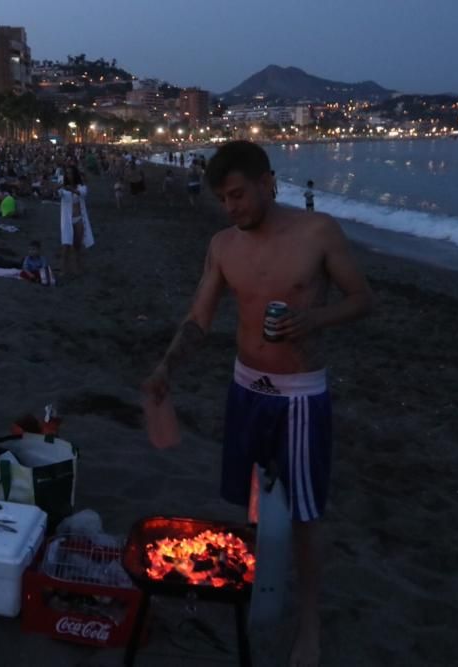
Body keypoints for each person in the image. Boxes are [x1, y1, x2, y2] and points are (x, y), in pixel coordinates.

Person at [142, 141, 374, 667]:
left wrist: (315, 319)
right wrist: (165, 370)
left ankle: (309, 623)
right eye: (223, 199)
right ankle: (260, 587)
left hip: (298, 398)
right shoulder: (223, 245)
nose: (232, 208)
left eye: (239, 195)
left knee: (305, 515)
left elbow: (363, 299)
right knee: (251, 503)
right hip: (246, 389)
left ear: (268, 182)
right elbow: (200, 317)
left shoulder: (318, 234)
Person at [58, 165, 95, 277]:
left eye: (71, 173)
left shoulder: (81, 186)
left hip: (79, 219)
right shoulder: (63, 187)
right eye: (67, 173)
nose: (69, 175)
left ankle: (78, 268)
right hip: (67, 220)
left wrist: (71, 189)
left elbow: (82, 193)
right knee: (65, 246)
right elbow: (58, 194)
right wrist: (58, 188)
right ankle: (63, 269)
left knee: (77, 246)